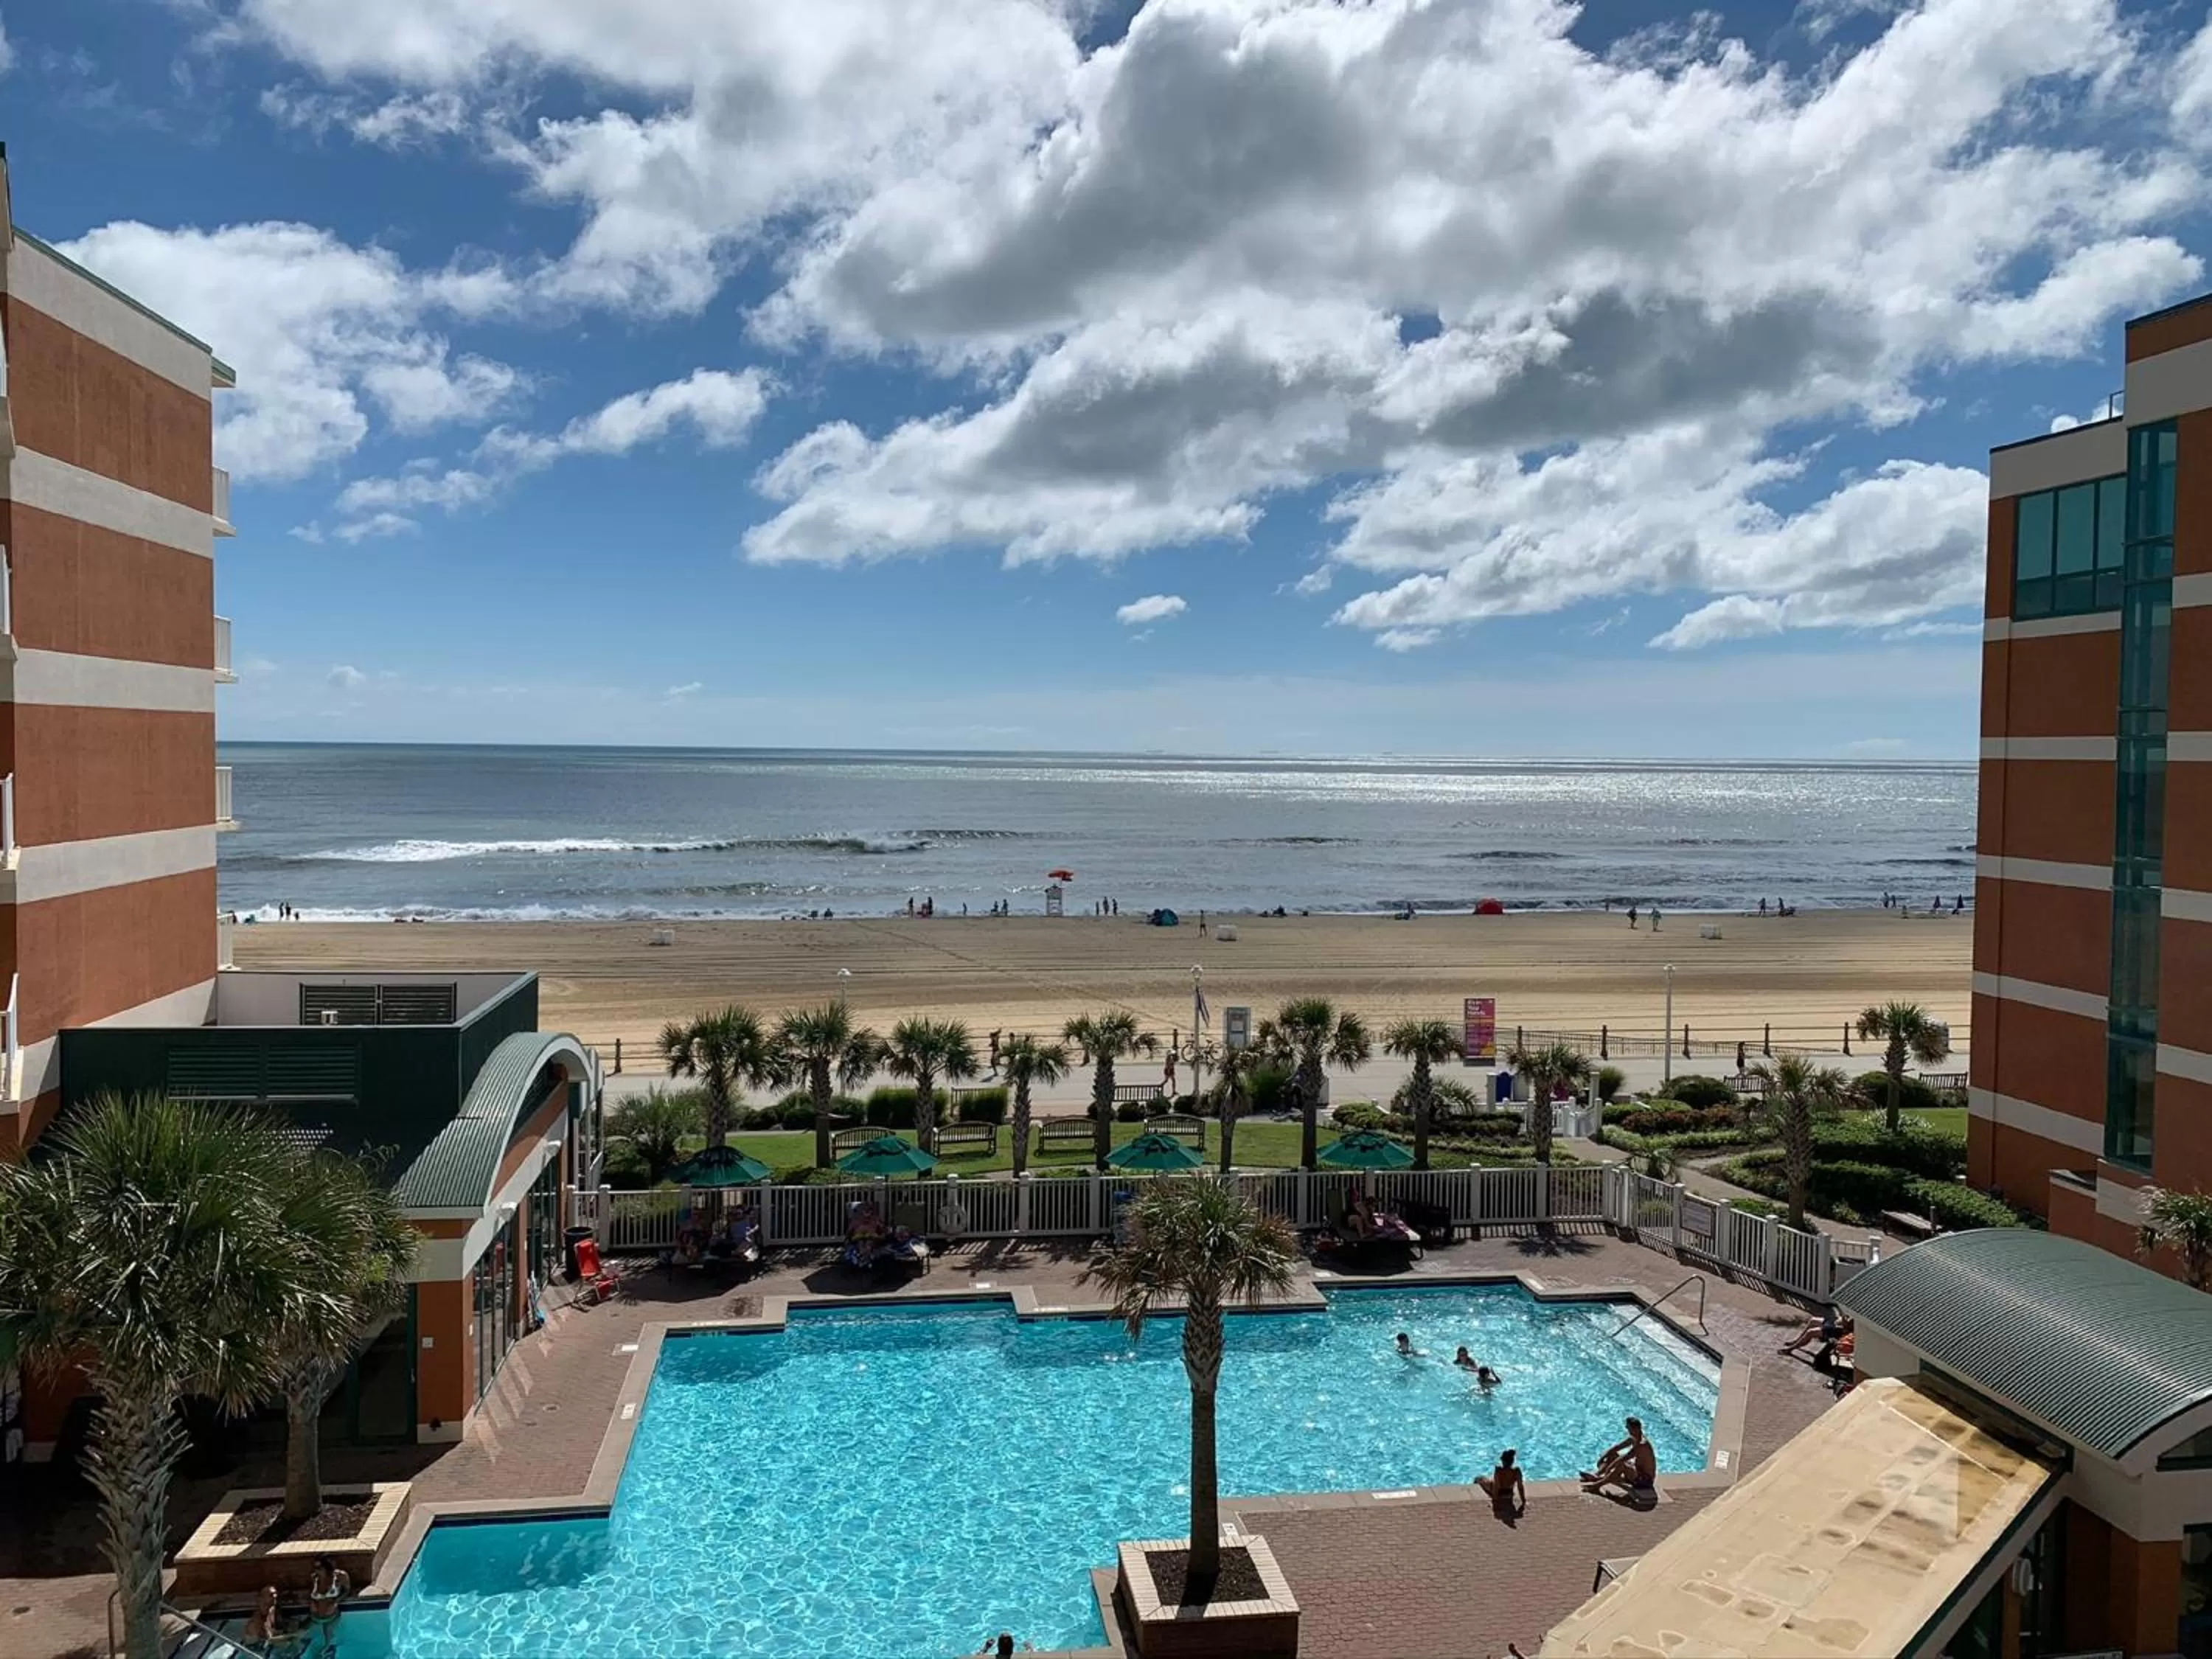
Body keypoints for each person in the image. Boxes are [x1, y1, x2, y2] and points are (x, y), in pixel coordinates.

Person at [1582, 1416, 1658, 1497]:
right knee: (1613, 1455)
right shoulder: (1634, 1438)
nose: (1626, 1428)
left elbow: (1625, 1457)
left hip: (1645, 1481)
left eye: (1628, 1427)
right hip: (1636, 1473)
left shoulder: (1642, 1444)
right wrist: (1603, 1457)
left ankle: (1597, 1485)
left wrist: (1609, 1468)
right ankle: (1597, 1475)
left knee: (1623, 1465)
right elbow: (1617, 1447)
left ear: (1635, 1429)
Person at [307, 1555, 349, 1649]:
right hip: (315, 1617)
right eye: (315, 1568)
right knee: (313, 1642)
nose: (316, 1570)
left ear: (327, 1568)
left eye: (319, 1568)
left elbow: (347, 1590)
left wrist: (336, 1602)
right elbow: (311, 1593)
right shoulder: (315, 1578)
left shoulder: (339, 1577)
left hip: (331, 1617)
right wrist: (312, 1602)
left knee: (329, 1641)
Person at [1780, 1307, 1849, 1356]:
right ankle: (1797, 1340)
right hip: (1833, 1322)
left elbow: (1847, 1327)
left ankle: (1790, 1349)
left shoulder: (1853, 1320)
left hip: (1834, 1330)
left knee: (1811, 1332)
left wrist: (1844, 1320)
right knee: (1813, 1320)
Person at [1477, 1449, 1526, 1517]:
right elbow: (1520, 1487)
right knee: (1486, 1480)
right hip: (1509, 1493)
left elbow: (1497, 1487)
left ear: (1503, 1461)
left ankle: (1476, 1481)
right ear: (1512, 1461)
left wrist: (1495, 1502)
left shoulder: (1499, 1471)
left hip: (1498, 1492)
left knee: (1480, 1479)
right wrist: (1523, 1501)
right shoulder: (1517, 1471)